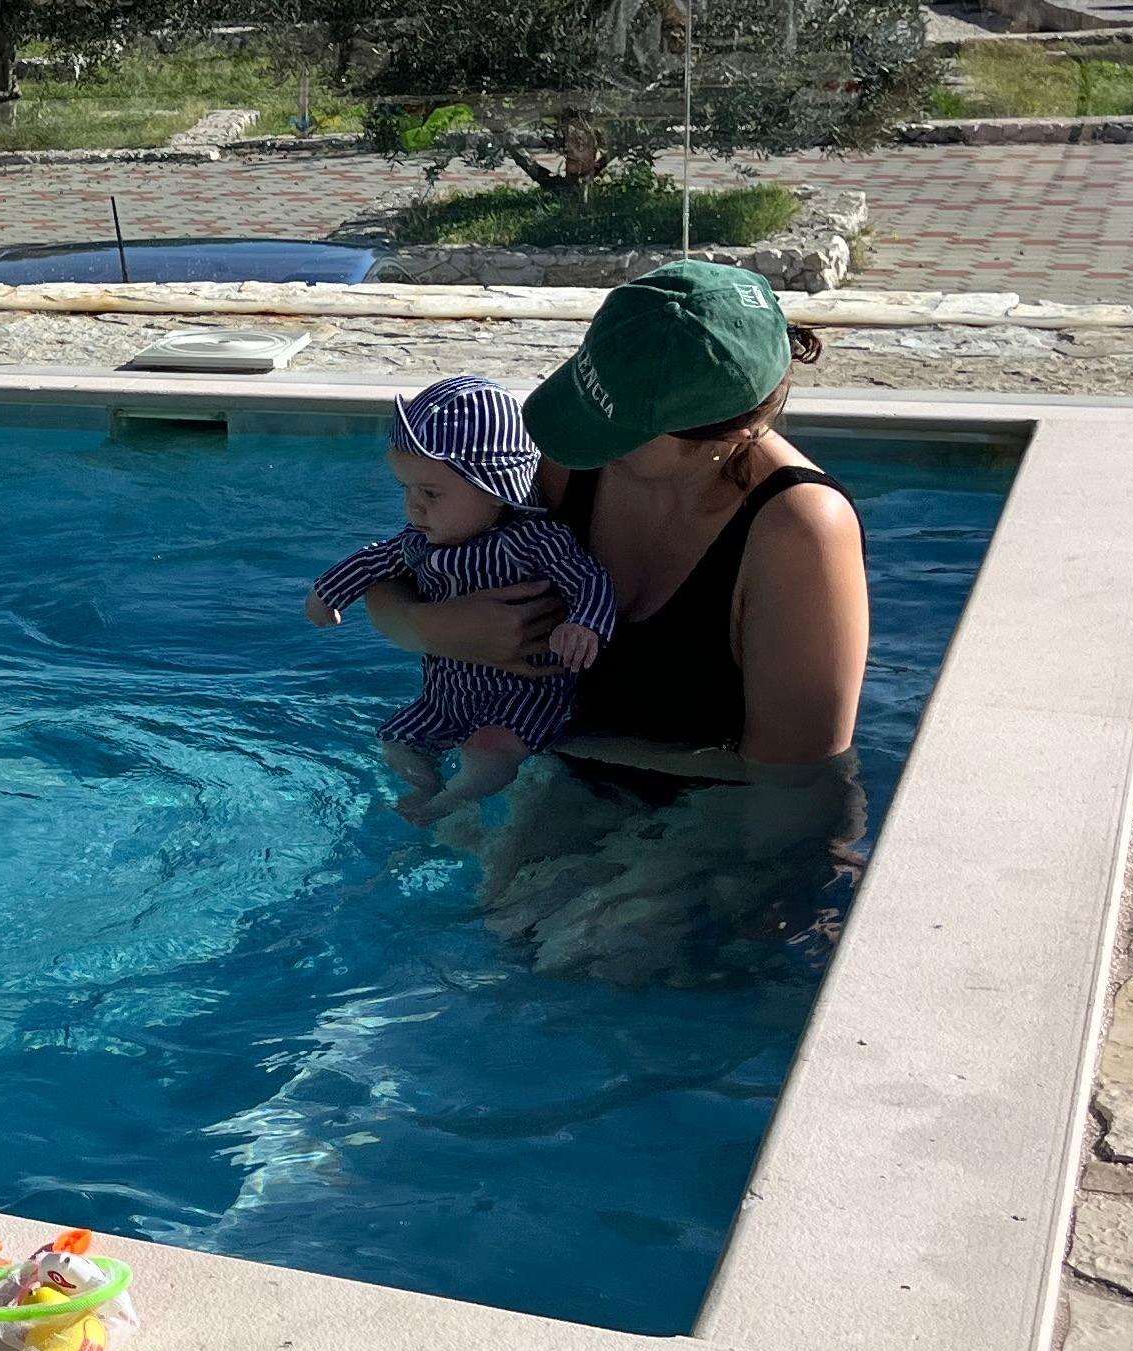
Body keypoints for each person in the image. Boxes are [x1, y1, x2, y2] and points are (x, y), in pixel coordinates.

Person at [348, 260, 872, 979]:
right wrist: (434, 631)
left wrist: (760, 902)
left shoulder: (797, 533)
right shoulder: (568, 453)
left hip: (714, 810)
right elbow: (390, 576)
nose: (580, 433)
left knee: (590, 960)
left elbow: (794, 787)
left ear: (726, 434)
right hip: (567, 773)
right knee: (492, 941)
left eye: (616, 426)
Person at [305, 373, 618, 823]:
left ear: (496, 488)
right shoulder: (420, 541)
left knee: (491, 747)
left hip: (522, 697)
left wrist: (584, 624)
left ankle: (452, 803)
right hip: (446, 696)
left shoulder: (534, 542)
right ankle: (424, 788)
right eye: (407, 490)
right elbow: (374, 560)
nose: (414, 507)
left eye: (431, 493)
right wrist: (328, 594)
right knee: (397, 739)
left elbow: (589, 579)